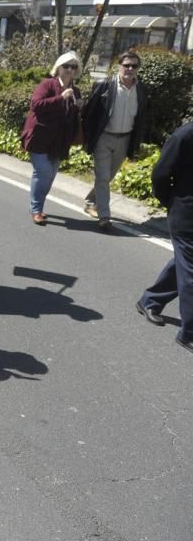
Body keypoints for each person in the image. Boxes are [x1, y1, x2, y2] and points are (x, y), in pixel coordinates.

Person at [136, 119, 193, 350]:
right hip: (185, 214)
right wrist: (168, 201)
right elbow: (160, 173)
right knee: (190, 270)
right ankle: (188, 333)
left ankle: (150, 300)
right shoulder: (184, 135)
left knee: (184, 263)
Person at [81, 51, 147, 230]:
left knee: (107, 177)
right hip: (104, 137)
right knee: (102, 177)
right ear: (119, 66)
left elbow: (140, 118)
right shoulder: (105, 85)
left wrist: (137, 143)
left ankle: (90, 200)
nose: (130, 69)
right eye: (127, 65)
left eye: (134, 66)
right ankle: (104, 215)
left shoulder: (140, 89)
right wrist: (87, 138)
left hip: (125, 139)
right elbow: (89, 113)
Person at [21, 51, 82, 225]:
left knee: (50, 176)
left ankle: (38, 205)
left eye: (73, 67)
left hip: (60, 141)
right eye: (66, 66)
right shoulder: (48, 84)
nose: (69, 70)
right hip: (40, 137)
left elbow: (69, 116)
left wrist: (79, 106)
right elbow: (36, 105)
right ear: (58, 67)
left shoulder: (75, 91)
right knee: (43, 172)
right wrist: (60, 98)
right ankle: (36, 209)